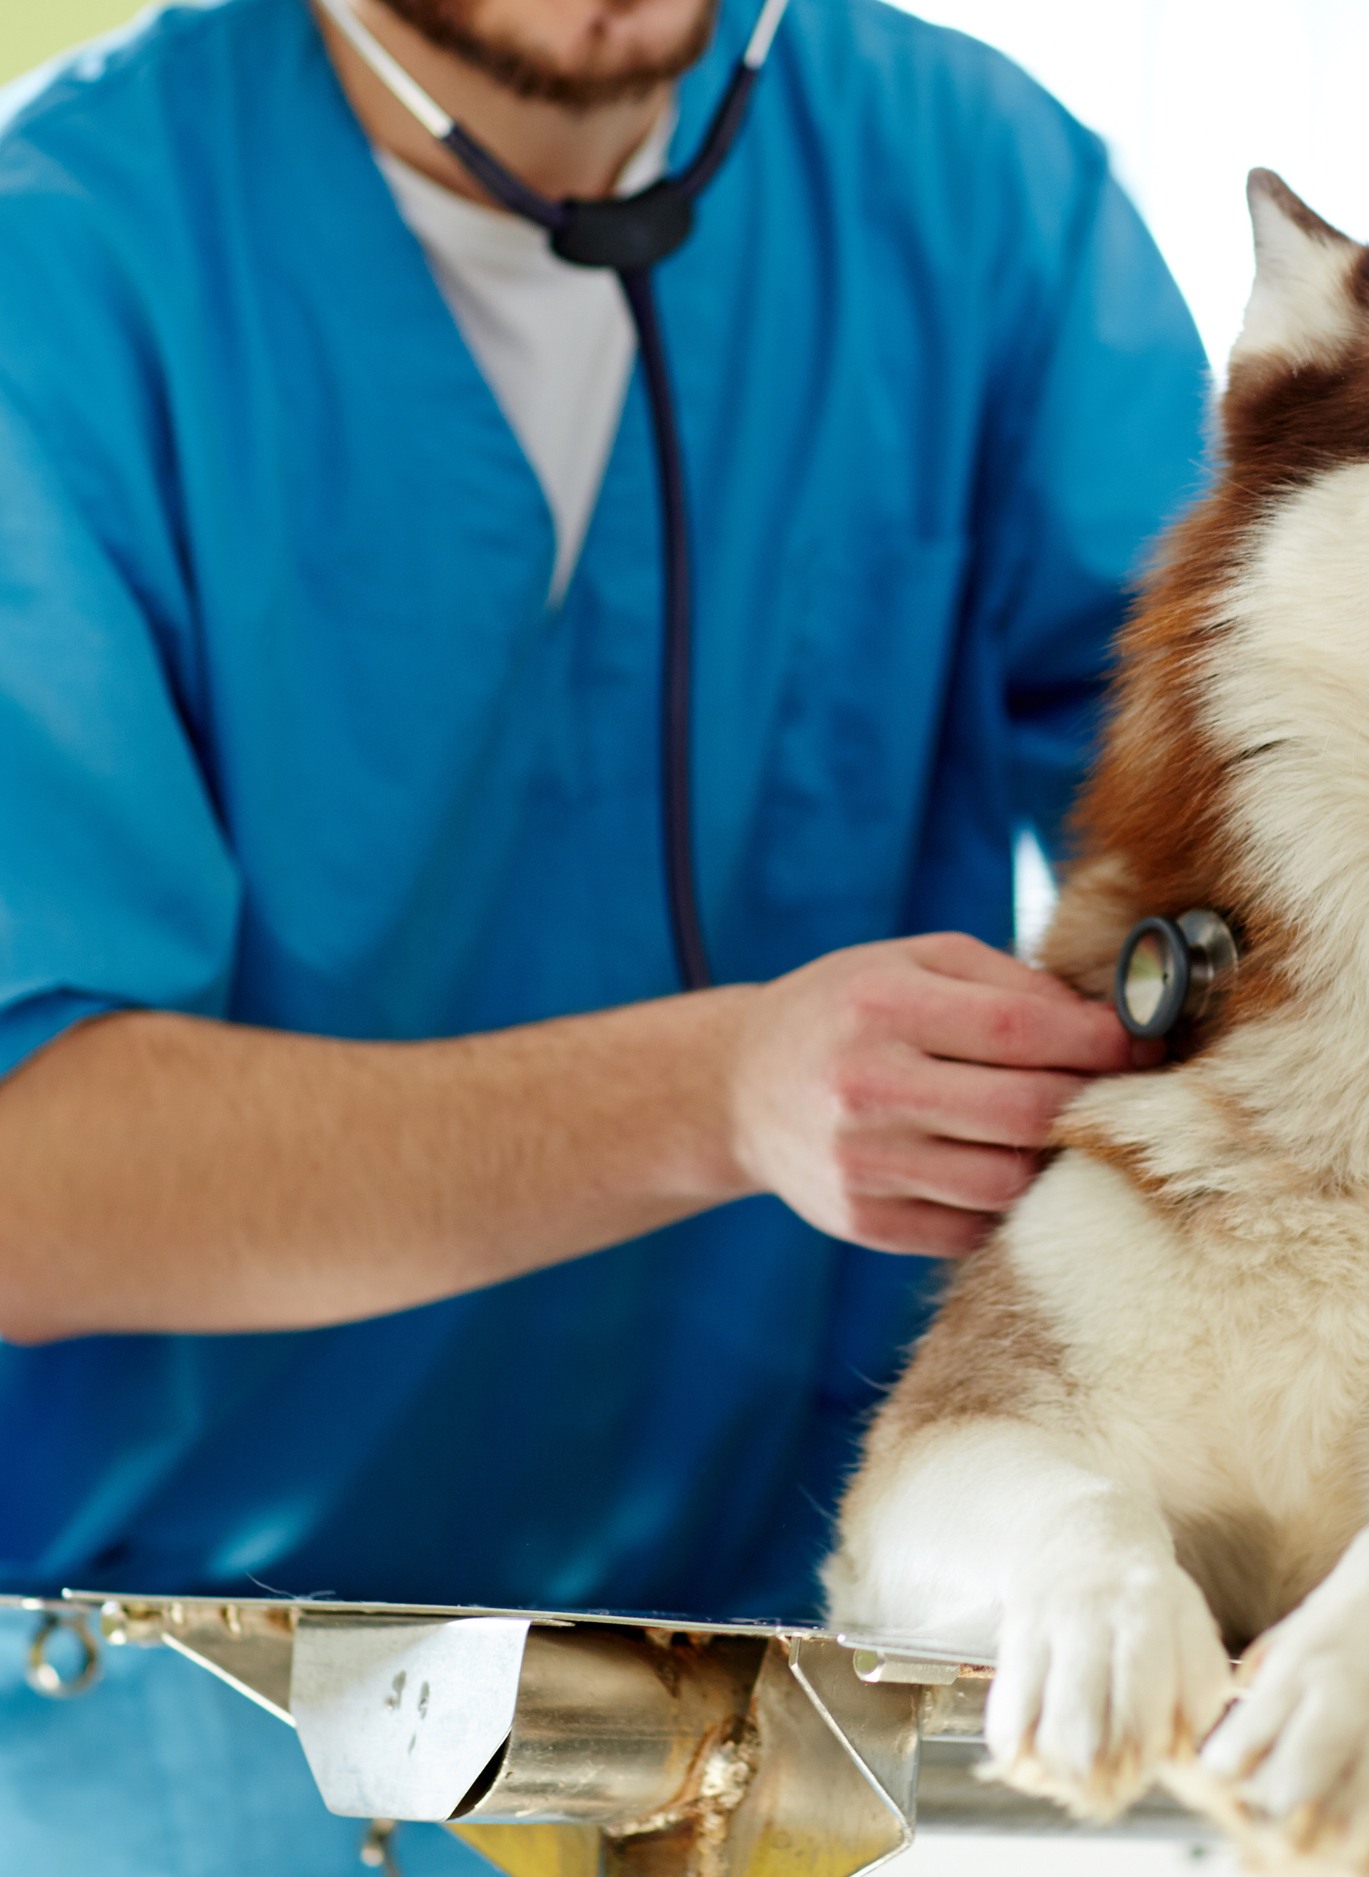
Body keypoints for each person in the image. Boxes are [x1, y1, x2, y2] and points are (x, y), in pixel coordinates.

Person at [0, 0, 1209, 1865]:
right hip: (183, 1730)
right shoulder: (61, 264)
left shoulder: (976, 198)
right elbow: (26, 1175)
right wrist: (721, 1093)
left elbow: (1232, 853)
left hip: (765, 1712)